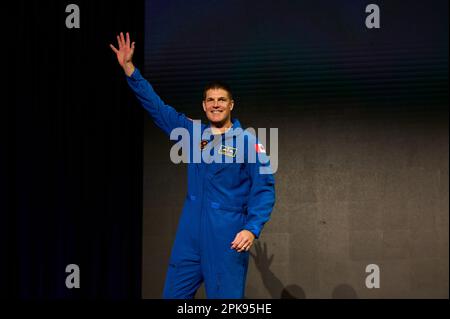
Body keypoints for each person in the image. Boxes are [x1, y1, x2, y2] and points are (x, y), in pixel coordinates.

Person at [110, 32, 276, 299]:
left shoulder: (249, 142)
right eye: (210, 100)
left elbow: (265, 189)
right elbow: (158, 108)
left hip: (226, 236)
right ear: (203, 105)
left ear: (231, 104)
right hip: (190, 237)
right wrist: (130, 69)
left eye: (221, 100)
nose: (216, 104)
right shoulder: (193, 133)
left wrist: (251, 227)